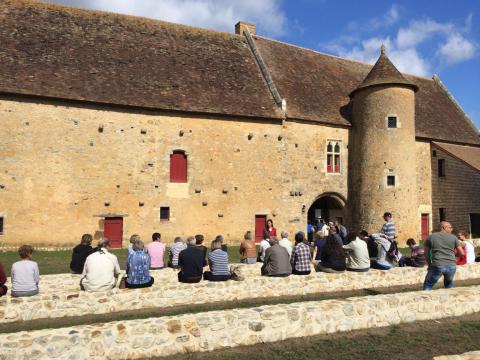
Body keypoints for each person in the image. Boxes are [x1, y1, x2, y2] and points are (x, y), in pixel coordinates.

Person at [423, 221, 464, 291]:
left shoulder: (431, 237)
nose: (452, 229)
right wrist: (454, 256)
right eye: (450, 227)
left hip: (438, 264)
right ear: (444, 227)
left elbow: (426, 254)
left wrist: (430, 265)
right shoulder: (454, 238)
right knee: (449, 284)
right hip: (451, 265)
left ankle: (425, 300)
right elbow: (462, 253)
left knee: (428, 284)